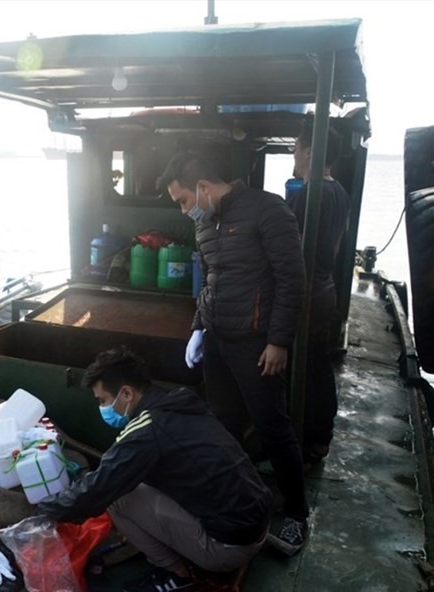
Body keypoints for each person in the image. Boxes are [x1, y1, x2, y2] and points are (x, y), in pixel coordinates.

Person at [160, 152, 310, 556]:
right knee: (224, 423)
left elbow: (291, 279)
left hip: (256, 343)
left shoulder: (268, 210)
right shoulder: (206, 222)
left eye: (183, 200)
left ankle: (296, 513)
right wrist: (198, 327)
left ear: (203, 188)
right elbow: (210, 280)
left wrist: (278, 341)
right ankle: (236, 496)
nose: (184, 210)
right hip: (217, 339)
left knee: (272, 427)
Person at [33, 347, 271, 592]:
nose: (102, 408)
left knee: (117, 500)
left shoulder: (146, 432)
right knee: (136, 482)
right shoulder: (180, 402)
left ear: (127, 393)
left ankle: (177, 574)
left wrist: (44, 511)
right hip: (257, 521)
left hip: (229, 547)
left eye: (103, 400)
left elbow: (97, 490)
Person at [290, 122, 352, 466]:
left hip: (308, 294)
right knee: (318, 364)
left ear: (310, 152)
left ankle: (309, 437)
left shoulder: (309, 195)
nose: (294, 154)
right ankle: (320, 436)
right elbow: (336, 247)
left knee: (304, 367)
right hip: (325, 288)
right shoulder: (340, 192)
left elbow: (292, 251)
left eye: (296, 148)